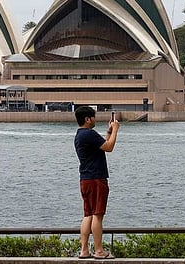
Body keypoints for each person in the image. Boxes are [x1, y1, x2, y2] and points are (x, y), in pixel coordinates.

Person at [74, 106, 120, 259]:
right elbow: (109, 147)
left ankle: (84, 250)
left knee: (88, 215)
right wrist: (115, 130)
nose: (95, 119)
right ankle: (99, 251)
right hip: (96, 179)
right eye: (93, 117)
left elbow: (102, 145)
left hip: (85, 179)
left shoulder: (80, 135)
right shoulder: (89, 134)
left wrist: (108, 132)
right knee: (97, 215)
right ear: (87, 119)